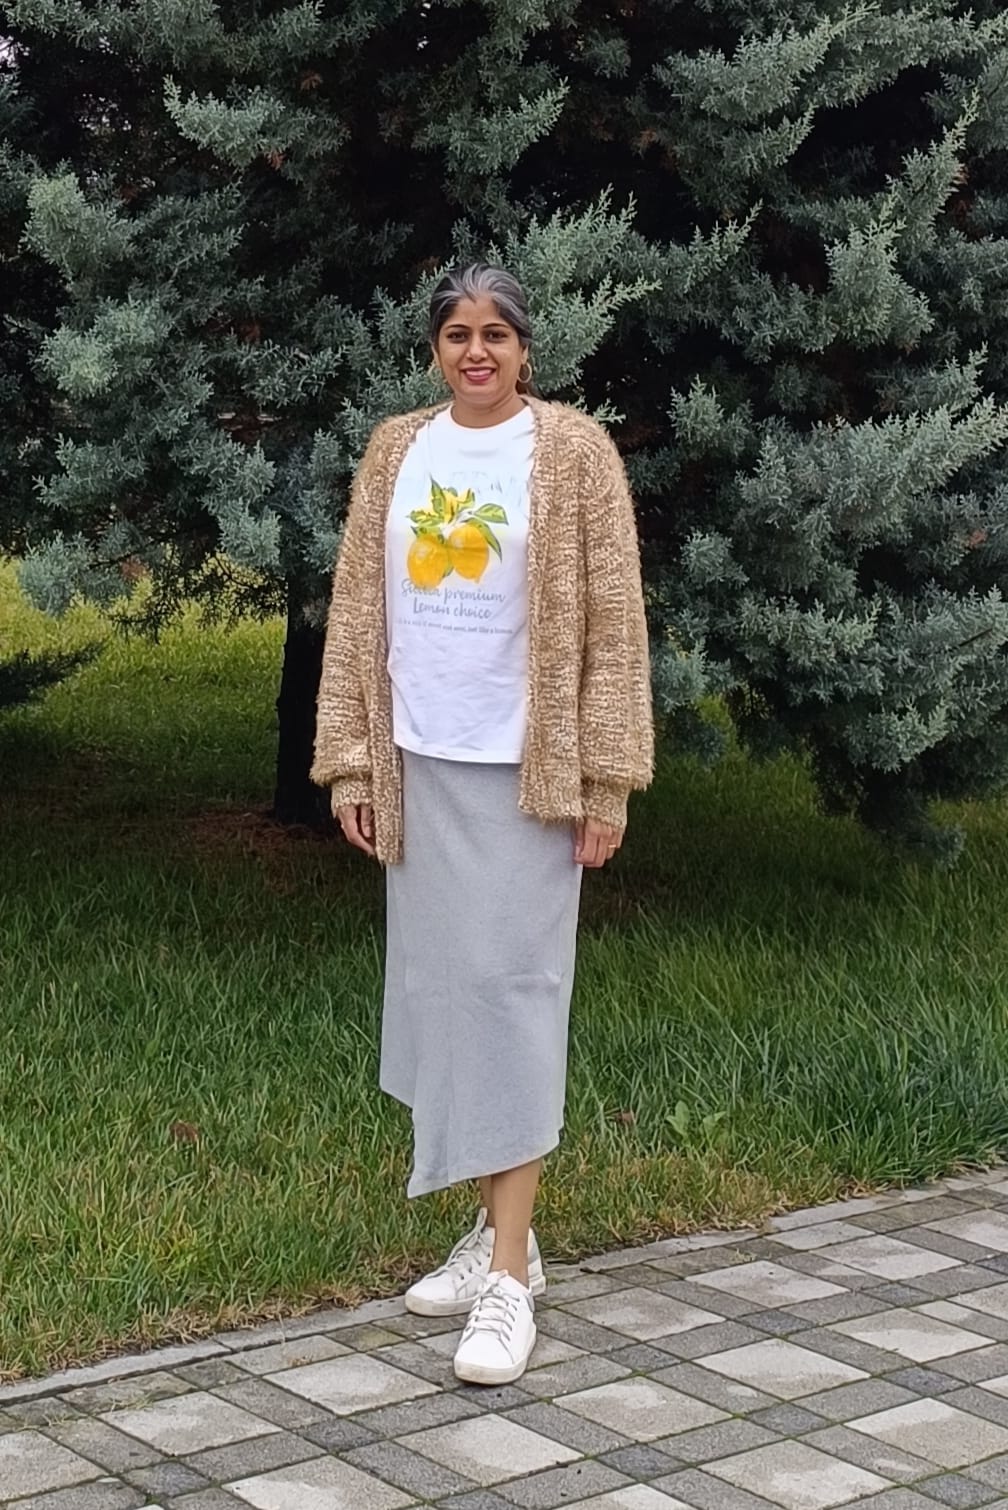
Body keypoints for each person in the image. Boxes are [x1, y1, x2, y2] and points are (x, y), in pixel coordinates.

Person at [311, 262, 654, 1385]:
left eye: (495, 335)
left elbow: (614, 626)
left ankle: (509, 1280)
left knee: (513, 1001)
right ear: (433, 349)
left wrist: (604, 782)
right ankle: (500, 1235)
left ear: (525, 351)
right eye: (457, 334)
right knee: (448, 1003)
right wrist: (353, 760)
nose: (475, 351)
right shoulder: (396, 450)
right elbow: (359, 609)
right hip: (422, 760)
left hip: (527, 777)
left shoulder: (574, 454)